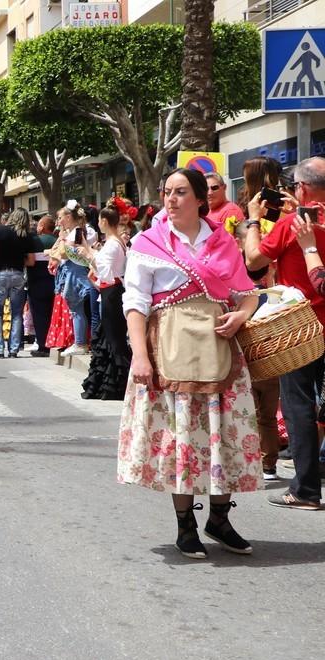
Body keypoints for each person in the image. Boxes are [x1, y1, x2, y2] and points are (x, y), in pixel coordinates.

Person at [120, 168, 262, 559]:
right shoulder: (148, 242)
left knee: (225, 434)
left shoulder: (223, 241)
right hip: (170, 352)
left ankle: (219, 518)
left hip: (219, 352)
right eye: (167, 192)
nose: (171, 199)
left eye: (180, 192)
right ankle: (185, 525)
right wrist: (139, 356)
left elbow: (245, 292)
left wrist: (242, 314)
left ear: (201, 198)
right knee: (182, 437)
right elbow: (135, 304)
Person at [244, 156, 325, 510]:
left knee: (298, 405)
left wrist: (252, 220)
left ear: (302, 188)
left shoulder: (293, 224)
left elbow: (253, 261)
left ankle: (305, 489)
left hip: (301, 329)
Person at [79, 206, 129, 399]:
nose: (98, 223)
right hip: (111, 290)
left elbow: (105, 270)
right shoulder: (114, 242)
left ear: (105, 221)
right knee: (110, 336)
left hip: (112, 291)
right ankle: (111, 384)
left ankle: (118, 384)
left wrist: (88, 255)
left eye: (100, 220)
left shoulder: (113, 243)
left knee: (114, 337)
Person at [0, 209, 36, 358]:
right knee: (16, 313)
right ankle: (13, 349)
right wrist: (20, 260)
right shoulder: (27, 236)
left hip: (0, 273)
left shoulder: (0, 230)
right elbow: (31, 261)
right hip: (18, 275)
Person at [55, 202, 97, 356]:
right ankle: (81, 341)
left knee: (76, 307)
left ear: (68, 217)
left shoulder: (76, 232)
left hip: (76, 271)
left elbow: (64, 253)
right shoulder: (81, 231)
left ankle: (80, 343)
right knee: (81, 308)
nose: (59, 221)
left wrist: (62, 240)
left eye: (60, 217)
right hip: (78, 270)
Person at [27, 215, 57, 356]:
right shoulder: (57, 241)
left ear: (43, 226)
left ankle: (43, 346)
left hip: (37, 282)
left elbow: (30, 261)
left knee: (39, 316)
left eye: (39, 224)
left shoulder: (34, 241)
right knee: (52, 314)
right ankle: (54, 342)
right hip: (54, 282)